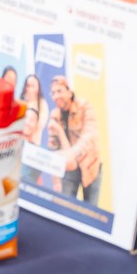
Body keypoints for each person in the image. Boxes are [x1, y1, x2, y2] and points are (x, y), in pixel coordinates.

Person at [44, 76, 100, 207]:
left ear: (69, 92)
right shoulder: (54, 115)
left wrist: (73, 153)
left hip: (89, 165)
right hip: (69, 168)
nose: (56, 96)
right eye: (53, 93)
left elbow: (90, 135)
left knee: (91, 211)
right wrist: (56, 180)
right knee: (64, 206)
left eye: (59, 91)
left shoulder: (85, 106)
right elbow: (53, 149)